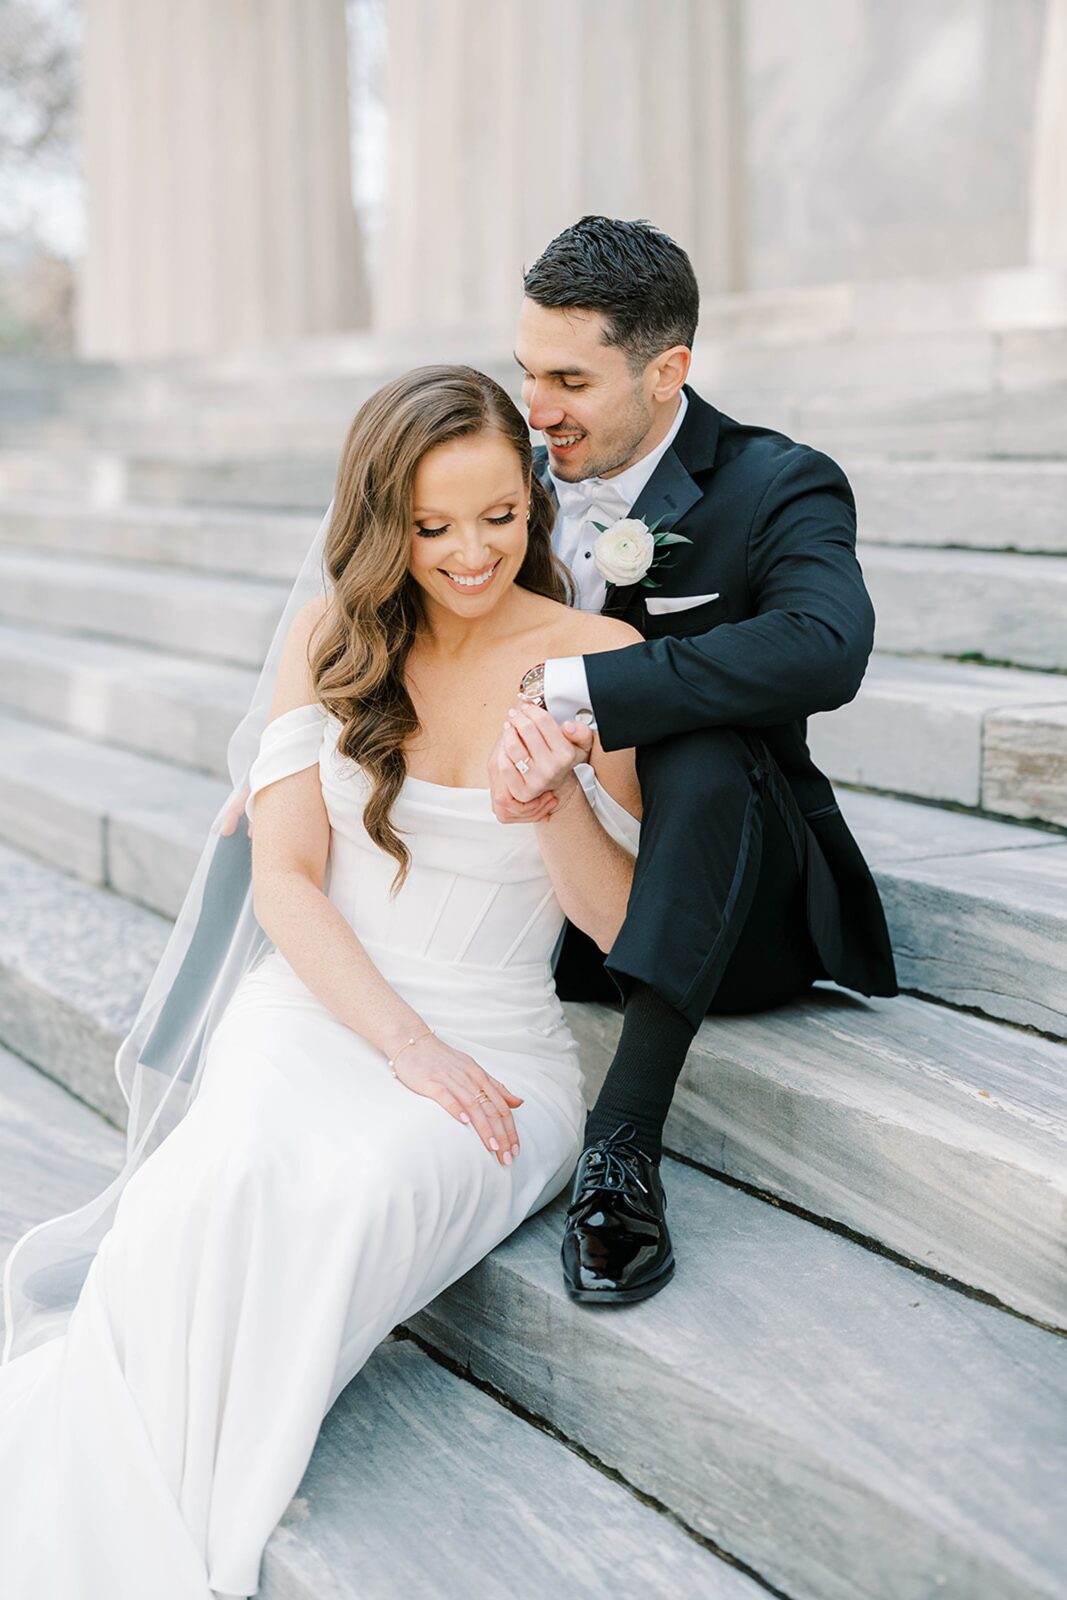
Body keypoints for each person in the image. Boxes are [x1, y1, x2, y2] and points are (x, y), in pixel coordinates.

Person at [0, 366, 643, 1599]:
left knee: (355, 1188)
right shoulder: (330, 639)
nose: (470, 555)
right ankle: (112, 1506)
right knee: (217, 1176)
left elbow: (623, 925)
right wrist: (401, 1045)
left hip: (501, 1045)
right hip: (316, 1006)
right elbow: (289, 879)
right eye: (431, 524)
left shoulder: (594, 656)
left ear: (537, 505)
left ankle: (182, 1501)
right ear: (379, 519)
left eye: (500, 517)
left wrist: (554, 802)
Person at [491, 216, 897, 1305]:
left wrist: (585, 689)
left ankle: (619, 1150)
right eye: (525, 372)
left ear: (665, 370)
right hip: (539, 908)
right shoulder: (504, 484)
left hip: (733, 913)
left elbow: (825, 643)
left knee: (705, 738)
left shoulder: (776, 483)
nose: (535, 410)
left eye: (567, 380)